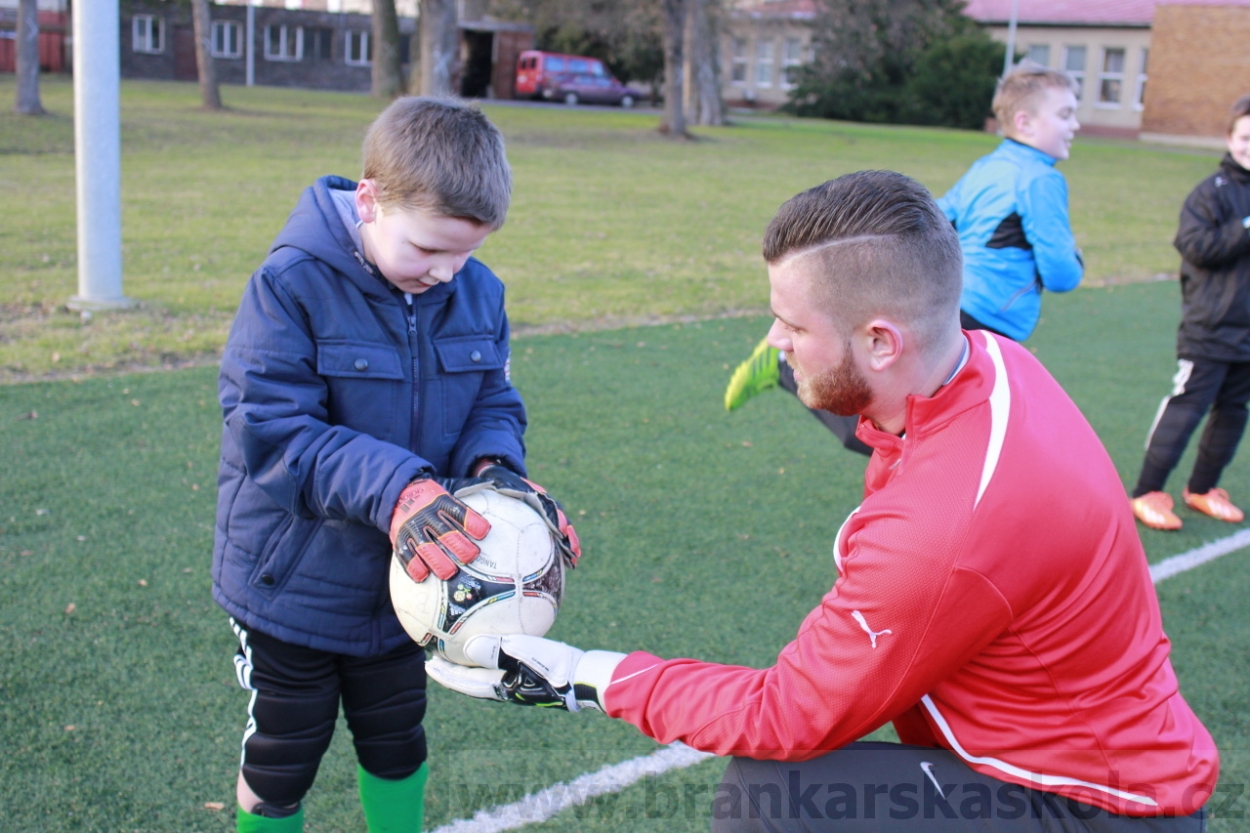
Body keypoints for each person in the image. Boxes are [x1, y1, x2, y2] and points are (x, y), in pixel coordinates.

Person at [429, 171, 1217, 832]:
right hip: (1099, 754)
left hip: (1101, 806)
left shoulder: (945, 526)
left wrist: (582, 672)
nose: (774, 341)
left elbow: (788, 715)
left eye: (792, 323)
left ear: (881, 341)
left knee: (775, 797)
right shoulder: (989, 361)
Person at [212, 97, 578, 833]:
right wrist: (403, 490)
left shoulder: (477, 290)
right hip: (294, 583)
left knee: (396, 743)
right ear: (371, 200)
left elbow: (492, 398)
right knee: (284, 757)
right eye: (425, 250)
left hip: (415, 579)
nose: (445, 273)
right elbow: (274, 431)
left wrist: (495, 468)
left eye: (465, 253)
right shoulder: (291, 284)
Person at [723, 63, 1083, 459]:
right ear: (1024, 121)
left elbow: (937, 216)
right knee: (906, 428)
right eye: (1065, 114)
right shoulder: (1042, 180)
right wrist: (1076, 259)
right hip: (990, 317)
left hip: (951, 301)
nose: (1075, 125)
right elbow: (1061, 273)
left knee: (926, 424)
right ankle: (781, 366)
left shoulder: (990, 165)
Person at [1129, 94, 1250, 531]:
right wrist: (1246, 227)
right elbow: (1196, 247)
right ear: (1230, 139)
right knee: (1188, 408)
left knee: (1234, 412)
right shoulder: (1210, 193)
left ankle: (1203, 488)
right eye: (1245, 137)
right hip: (1211, 327)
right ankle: (1146, 492)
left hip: (1248, 334)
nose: (1249, 146)